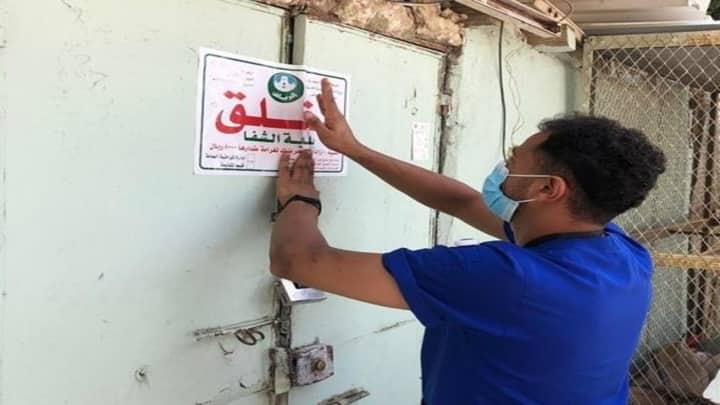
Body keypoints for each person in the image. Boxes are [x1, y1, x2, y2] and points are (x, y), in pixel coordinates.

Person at [269, 79, 666, 404]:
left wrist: (300, 199)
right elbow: (461, 201)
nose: (505, 166)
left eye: (514, 159)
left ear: (547, 189)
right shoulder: (622, 253)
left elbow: (297, 260)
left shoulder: (506, 278)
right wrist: (355, 150)